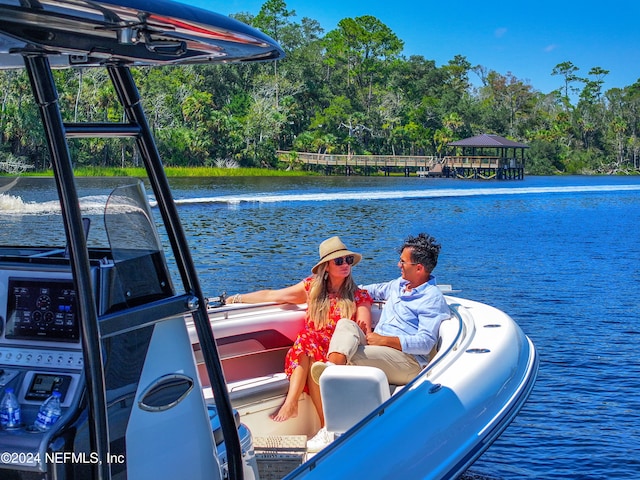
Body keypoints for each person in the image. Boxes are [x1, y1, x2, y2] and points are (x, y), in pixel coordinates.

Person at [227, 236, 372, 426]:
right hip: (313, 351)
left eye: (348, 260)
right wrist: (237, 299)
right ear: (326, 266)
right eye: (339, 261)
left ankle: (294, 404)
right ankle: (322, 423)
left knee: (307, 341)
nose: (345, 264)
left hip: (340, 355)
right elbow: (273, 295)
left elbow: (363, 331)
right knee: (309, 345)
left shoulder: (358, 296)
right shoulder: (312, 289)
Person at [311, 233, 451, 387]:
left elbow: (425, 343)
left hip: (408, 362)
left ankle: (330, 375)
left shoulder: (432, 299)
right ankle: (331, 369)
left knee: (352, 354)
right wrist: (331, 289)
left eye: (403, 262)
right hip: (378, 346)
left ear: (419, 268)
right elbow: (367, 291)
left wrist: (384, 340)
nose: (399, 265)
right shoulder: (400, 285)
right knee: (345, 324)